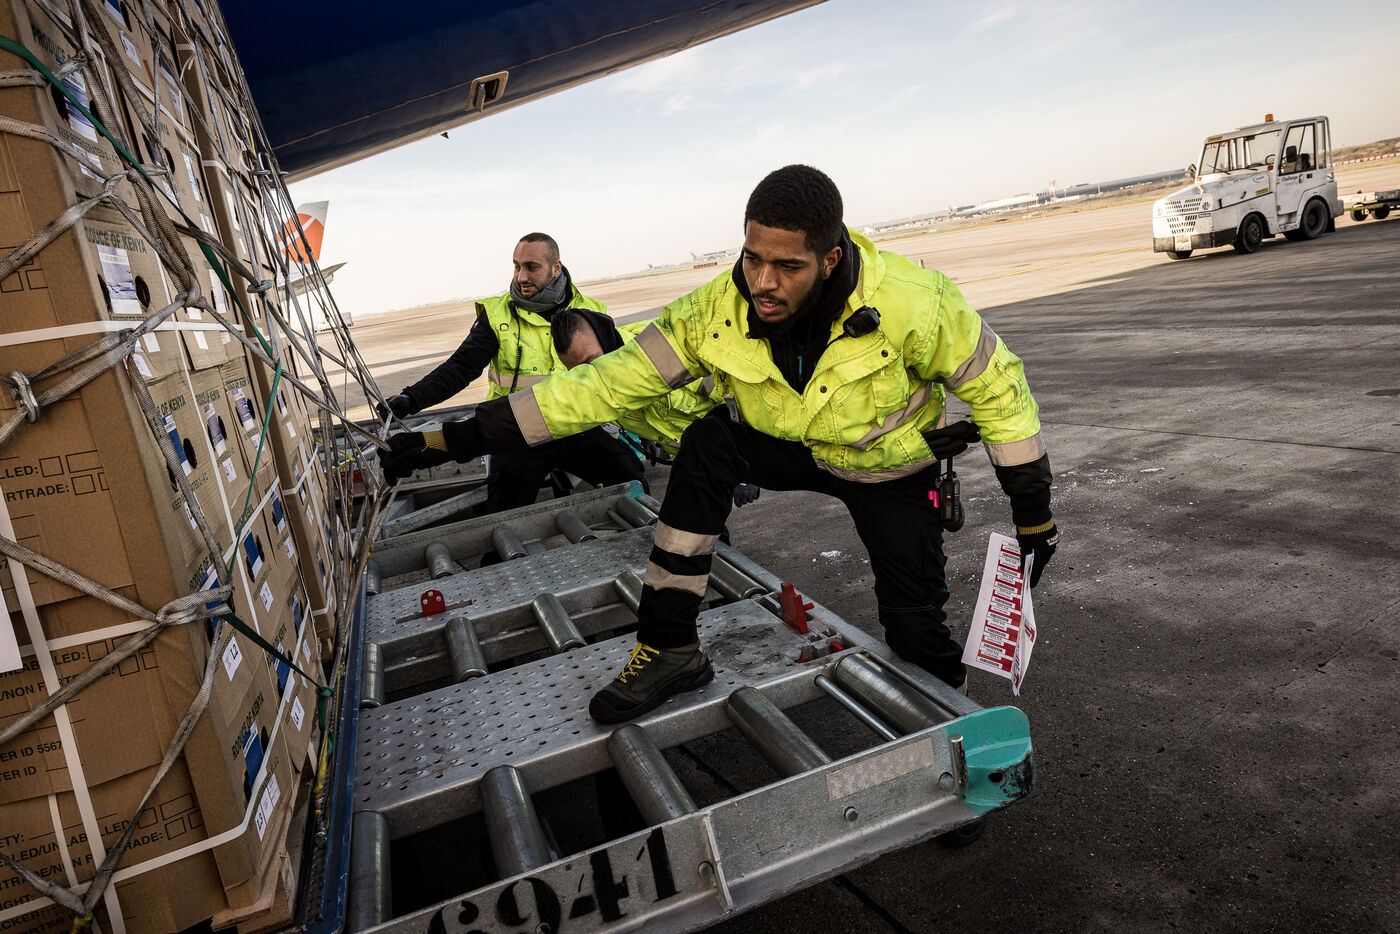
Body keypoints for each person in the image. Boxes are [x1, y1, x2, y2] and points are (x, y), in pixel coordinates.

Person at [379, 166, 1058, 724]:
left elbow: (1000, 391)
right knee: (709, 441)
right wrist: (447, 440)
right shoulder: (713, 312)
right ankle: (670, 646)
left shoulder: (917, 302)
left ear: (830, 259)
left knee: (913, 624)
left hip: (890, 470)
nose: (763, 283)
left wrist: (1033, 513)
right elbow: (592, 390)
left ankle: (953, 728)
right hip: (785, 445)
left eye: (787, 266)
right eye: (752, 258)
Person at [375, 232, 644, 511]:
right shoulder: (497, 315)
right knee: (503, 514)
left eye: (531, 267)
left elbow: (612, 373)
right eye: (516, 266)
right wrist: (412, 398)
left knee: (632, 480)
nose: (521, 277)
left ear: (556, 268)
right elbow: (461, 367)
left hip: (576, 424)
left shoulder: (589, 312)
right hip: (515, 429)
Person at [550, 308, 761, 508]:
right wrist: (646, 436)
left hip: (733, 448)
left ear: (607, 340)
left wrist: (745, 466)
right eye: (578, 373)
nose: (588, 378)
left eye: (591, 363)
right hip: (695, 455)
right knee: (685, 521)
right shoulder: (597, 386)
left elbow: (740, 403)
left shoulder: (667, 355)